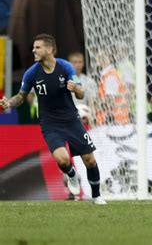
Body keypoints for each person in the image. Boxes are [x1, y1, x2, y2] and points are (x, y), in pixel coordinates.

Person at [0, 34, 106, 204]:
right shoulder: (31, 73)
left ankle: (96, 195)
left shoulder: (65, 67)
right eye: (33, 47)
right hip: (50, 124)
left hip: (72, 121)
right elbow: (21, 96)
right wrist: (9, 103)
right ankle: (71, 175)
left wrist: (75, 89)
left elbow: (81, 92)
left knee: (89, 159)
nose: (33, 50)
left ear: (49, 49)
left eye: (38, 47)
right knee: (63, 160)